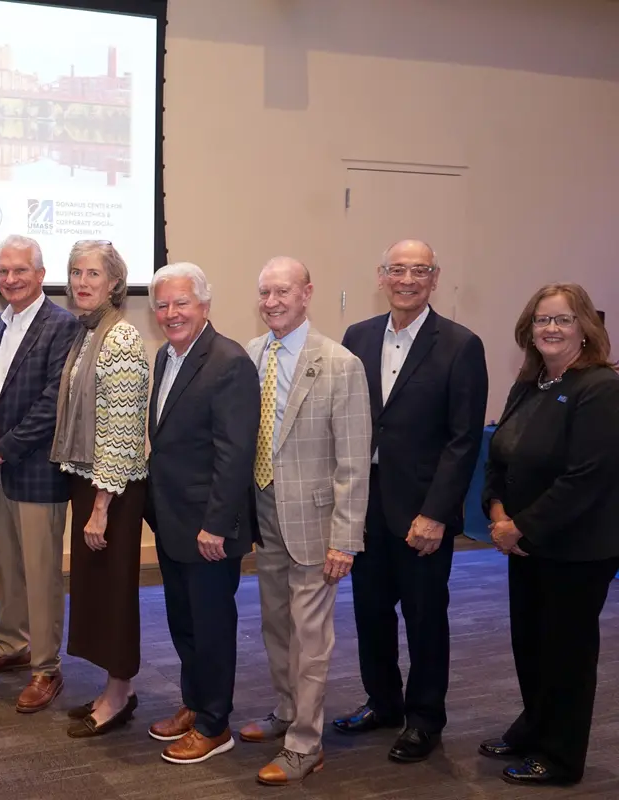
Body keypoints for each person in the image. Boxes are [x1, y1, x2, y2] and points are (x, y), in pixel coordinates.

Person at [335, 239, 488, 763]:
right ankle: (383, 702)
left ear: (434, 278)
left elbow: (463, 438)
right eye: (397, 269)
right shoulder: (357, 336)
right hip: (366, 504)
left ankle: (425, 718)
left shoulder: (461, 345)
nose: (406, 279)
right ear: (381, 276)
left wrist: (436, 513)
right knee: (370, 612)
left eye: (418, 270)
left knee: (425, 617)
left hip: (422, 508)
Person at [237, 258, 371, 784]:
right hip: (265, 514)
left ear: (307, 293)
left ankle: (305, 744)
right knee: (276, 623)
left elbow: (354, 462)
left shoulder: (340, 364)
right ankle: (286, 708)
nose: (271, 302)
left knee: (310, 635)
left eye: (283, 291)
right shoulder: (251, 355)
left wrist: (346, 538)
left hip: (317, 525)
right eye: (264, 292)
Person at [480, 283, 619, 786]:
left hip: (576, 549)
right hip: (526, 545)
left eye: (562, 319)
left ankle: (561, 757)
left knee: (567, 653)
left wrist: (520, 526)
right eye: (542, 320)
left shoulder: (600, 387)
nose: (551, 329)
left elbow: (588, 476)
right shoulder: (529, 384)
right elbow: (500, 455)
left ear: (585, 327)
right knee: (531, 644)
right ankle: (534, 725)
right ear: (529, 329)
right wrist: (498, 513)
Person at [144, 262, 260, 765]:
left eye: (181, 303)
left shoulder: (229, 362)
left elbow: (235, 454)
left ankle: (215, 724)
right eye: (163, 305)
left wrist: (217, 523)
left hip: (209, 527)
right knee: (184, 621)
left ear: (205, 307)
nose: (171, 313)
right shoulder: (166, 358)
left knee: (212, 626)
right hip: (173, 520)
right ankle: (194, 703)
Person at [0, 234, 78, 713]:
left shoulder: (61, 325)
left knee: (41, 572)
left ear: (40, 274)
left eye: (20, 271)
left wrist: (2, 449)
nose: (10, 279)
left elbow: (54, 402)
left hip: (34, 472)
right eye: (3, 271)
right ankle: (12, 645)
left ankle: (46, 668)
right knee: (8, 566)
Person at [52, 241, 149, 738]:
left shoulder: (123, 338)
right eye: (75, 273)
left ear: (115, 282)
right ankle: (118, 687)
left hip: (113, 489)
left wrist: (101, 507)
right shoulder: (89, 333)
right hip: (89, 483)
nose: (82, 282)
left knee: (113, 596)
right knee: (95, 593)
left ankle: (117, 695)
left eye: (93, 274)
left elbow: (121, 428)